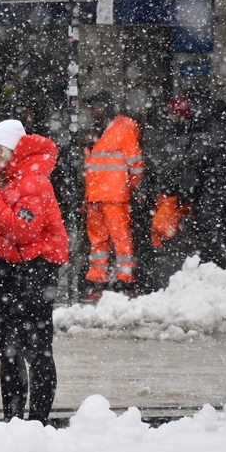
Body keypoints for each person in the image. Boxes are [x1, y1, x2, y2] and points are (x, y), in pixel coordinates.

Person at [0, 119, 68, 424]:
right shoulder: (0, 180)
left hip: (35, 270)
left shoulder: (35, 181)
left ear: (11, 150)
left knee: (37, 350)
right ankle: (12, 419)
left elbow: (20, 230)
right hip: (5, 269)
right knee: (7, 351)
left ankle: (37, 420)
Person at [81, 91, 144, 301]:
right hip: (97, 196)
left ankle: (124, 280)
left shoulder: (121, 131)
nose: (92, 112)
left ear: (104, 108)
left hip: (112, 196)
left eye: (94, 108)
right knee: (99, 241)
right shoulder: (103, 131)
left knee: (119, 239)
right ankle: (99, 279)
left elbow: (136, 165)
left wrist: (128, 188)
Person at [139, 96, 196, 291]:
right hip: (166, 194)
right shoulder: (171, 138)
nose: (171, 116)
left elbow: (181, 168)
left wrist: (180, 191)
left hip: (173, 195)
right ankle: (167, 277)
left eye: (174, 113)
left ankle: (168, 277)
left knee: (163, 231)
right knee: (163, 233)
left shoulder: (183, 139)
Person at [188, 98, 226, 267]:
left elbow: (195, 166)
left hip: (210, 195)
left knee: (209, 237)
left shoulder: (203, 139)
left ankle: (213, 267)